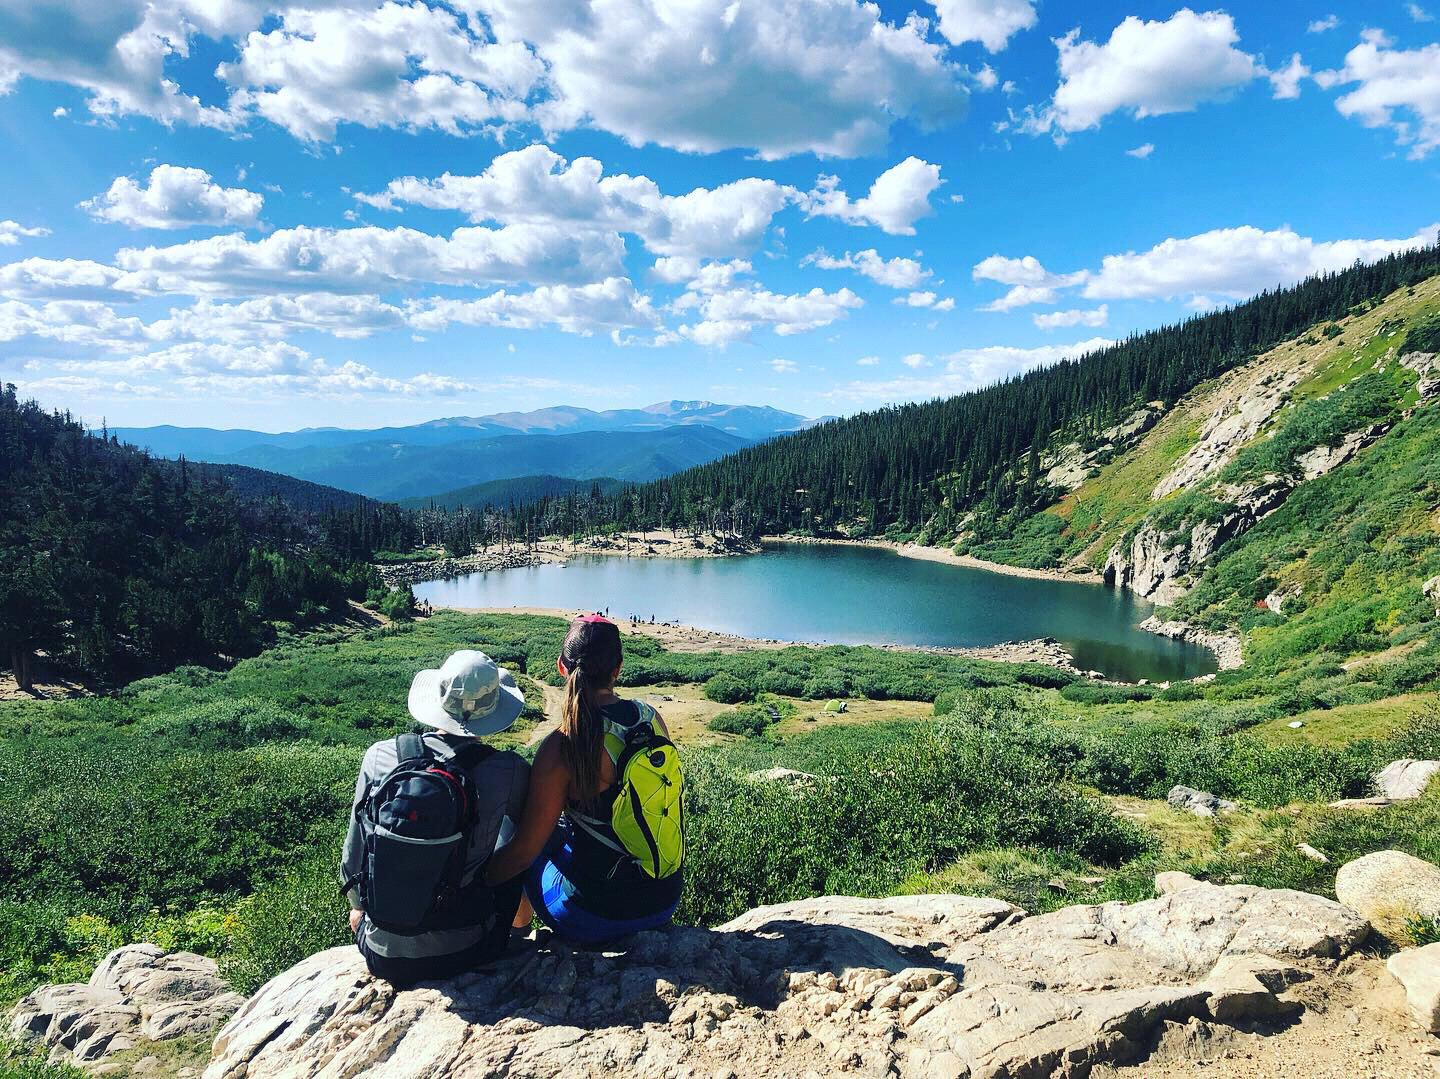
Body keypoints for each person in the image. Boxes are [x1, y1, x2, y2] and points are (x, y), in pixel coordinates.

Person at [485, 615, 683, 944]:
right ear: (618, 669)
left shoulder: (563, 745)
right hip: (664, 901)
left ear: (562, 667)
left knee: (515, 828)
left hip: (593, 915)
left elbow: (521, 855)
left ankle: (515, 940)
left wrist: (473, 885)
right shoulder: (651, 719)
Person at [341, 650, 530, 986]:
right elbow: (523, 853)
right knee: (511, 838)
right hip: (468, 949)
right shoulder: (510, 771)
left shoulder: (380, 756)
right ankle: (519, 929)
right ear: (494, 711)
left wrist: (358, 910)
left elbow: (353, 854)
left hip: (381, 951)